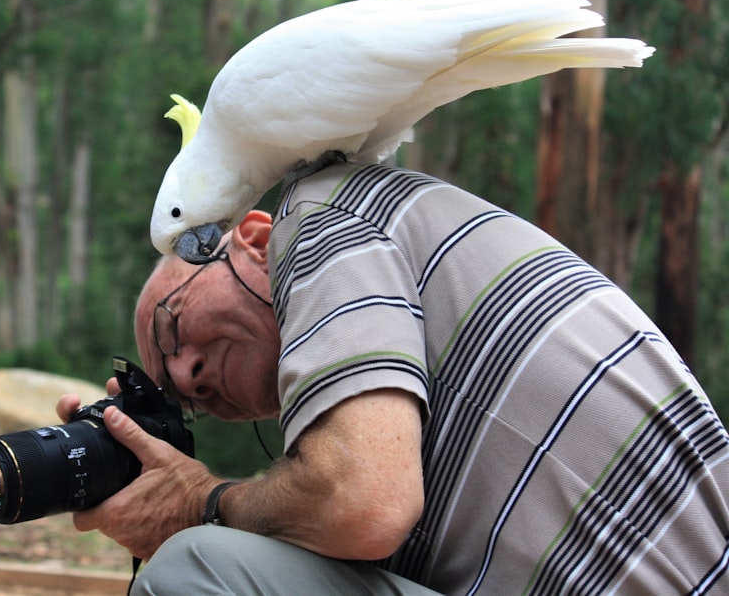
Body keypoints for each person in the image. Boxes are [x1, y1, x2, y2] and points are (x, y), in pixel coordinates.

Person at [57, 160, 729, 595]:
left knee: (194, 573)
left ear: (255, 241)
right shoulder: (369, 403)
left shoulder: (314, 215)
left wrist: (201, 505)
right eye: (177, 395)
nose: (186, 373)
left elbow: (365, 504)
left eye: (173, 328)